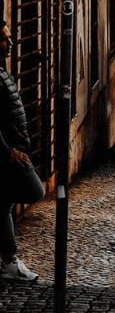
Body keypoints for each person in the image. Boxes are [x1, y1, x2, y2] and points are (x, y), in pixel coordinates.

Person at [0, 20, 45, 282]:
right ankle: (9, 261)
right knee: (34, 190)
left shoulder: (3, 72)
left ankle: (9, 261)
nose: (10, 43)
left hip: (14, 149)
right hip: (8, 154)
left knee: (3, 205)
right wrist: (8, 152)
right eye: (4, 39)